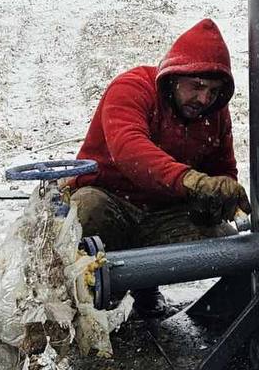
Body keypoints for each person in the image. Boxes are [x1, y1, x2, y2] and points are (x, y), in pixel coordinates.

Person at [67, 18, 248, 316]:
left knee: (234, 252)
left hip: (165, 213)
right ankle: (84, 305)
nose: (204, 98)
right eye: (197, 86)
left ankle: (149, 287)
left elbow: (223, 167)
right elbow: (130, 150)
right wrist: (190, 181)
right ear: (174, 77)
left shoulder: (214, 113)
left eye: (213, 91)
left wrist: (220, 196)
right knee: (87, 207)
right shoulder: (132, 88)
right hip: (111, 202)